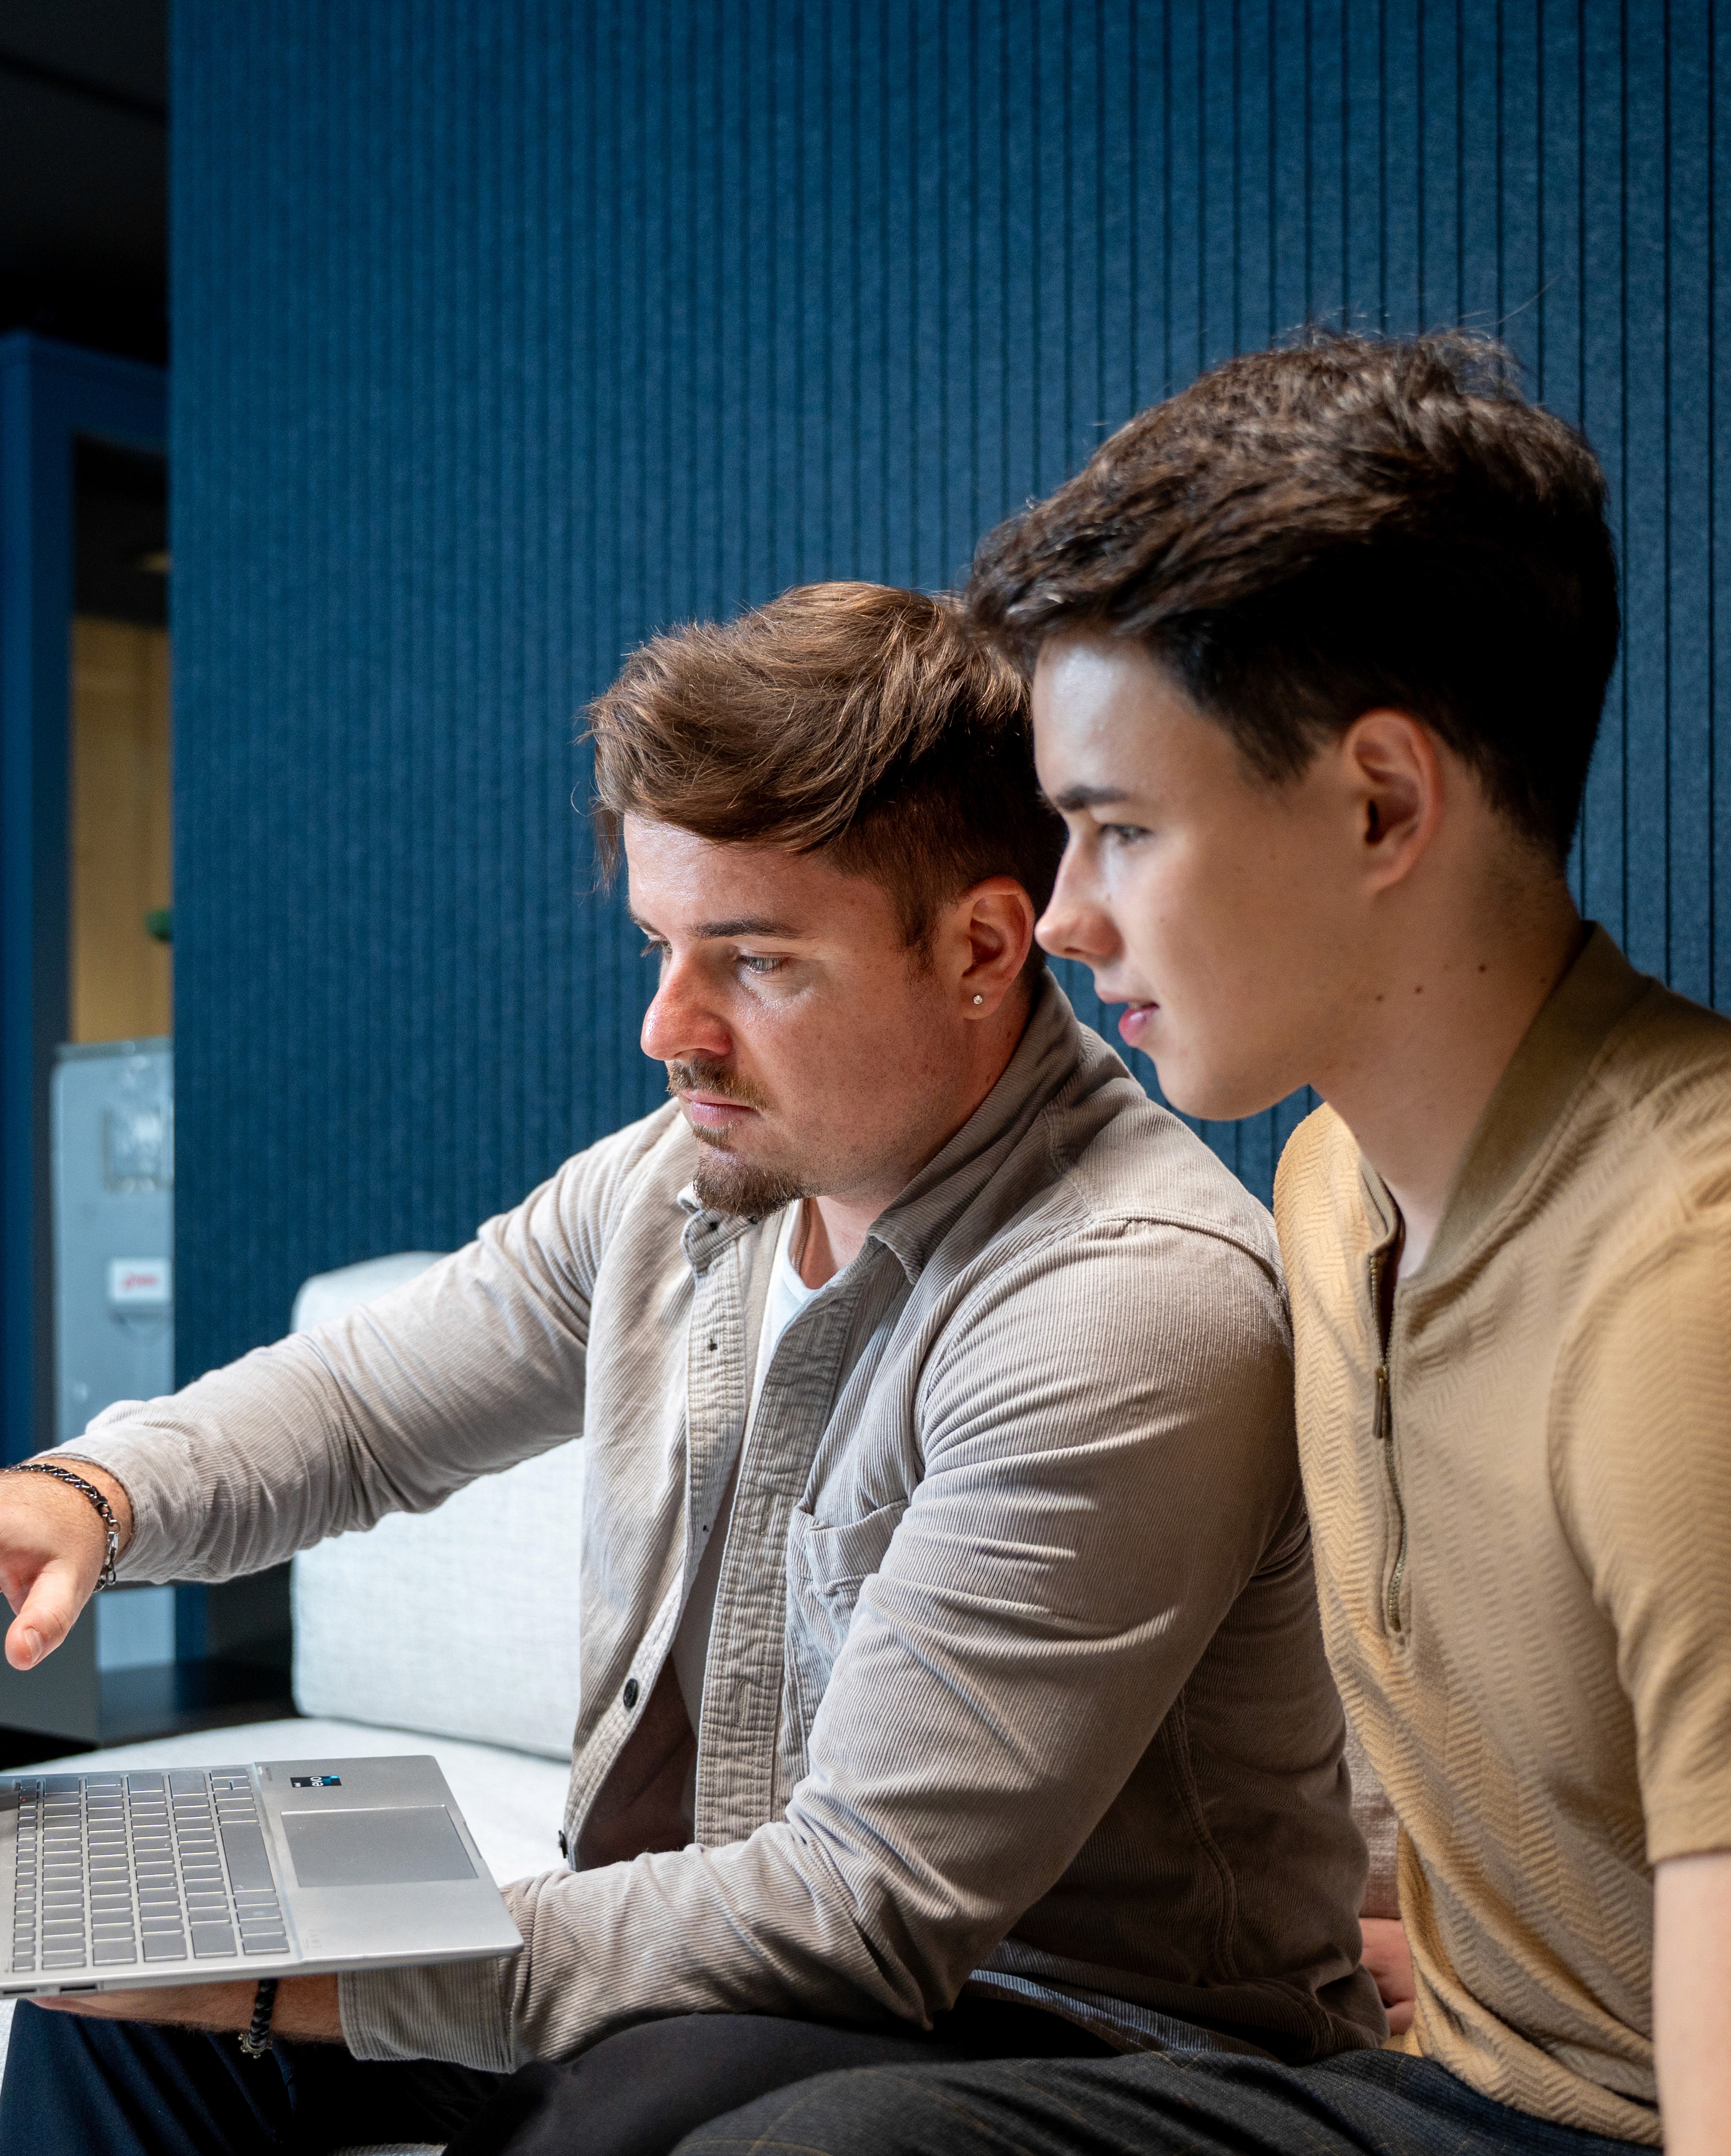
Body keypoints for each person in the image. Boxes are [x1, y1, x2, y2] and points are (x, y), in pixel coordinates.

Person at [0, 582, 1384, 2156]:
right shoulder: (681, 1182)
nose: (665, 1027)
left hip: (1046, 2027)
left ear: (982, 944)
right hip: (717, 1952)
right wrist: (88, 1492)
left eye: (753, 962)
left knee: (608, 2115)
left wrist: (304, 1978)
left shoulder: (1119, 1303)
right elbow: (362, 1408)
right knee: (109, 2013)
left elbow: (865, 1910)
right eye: (658, 942)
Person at [679, 336, 1731, 2156]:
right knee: (694, 2085)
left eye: (1119, 828)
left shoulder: (1689, 1293)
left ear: (1380, 805)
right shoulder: (1328, 1187)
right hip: (1433, 2080)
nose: (1067, 918)